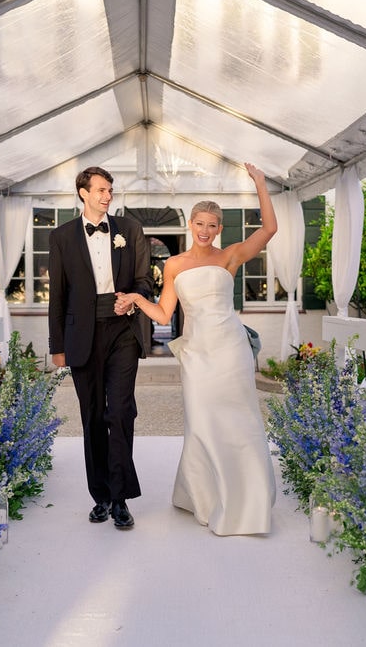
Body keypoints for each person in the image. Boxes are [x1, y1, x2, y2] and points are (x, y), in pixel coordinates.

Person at [116, 162, 276, 536]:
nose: (205, 230)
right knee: (202, 423)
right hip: (198, 355)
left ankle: (246, 503)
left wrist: (261, 184)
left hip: (232, 350)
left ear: (219, 228)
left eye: (212, 225)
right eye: (200, 223)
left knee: (241, 423)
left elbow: (269, 229)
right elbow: (164, 313)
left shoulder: (230, 256)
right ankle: (206, 498)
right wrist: (138, 299)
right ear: (191, 224)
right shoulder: (173, 265)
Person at [48, 166, 153, 530]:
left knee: (120, 411)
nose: (108, 196)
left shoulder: (131, 230)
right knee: (92, 415)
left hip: (123, 329)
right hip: (82, 335)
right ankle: (102, 496)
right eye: (101, 190)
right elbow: (57, 297)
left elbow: (145, 278)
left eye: (110, 190)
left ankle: (122, 498)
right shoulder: (60, 237)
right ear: (83, 192)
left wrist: (134, 297)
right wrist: (56, 346)